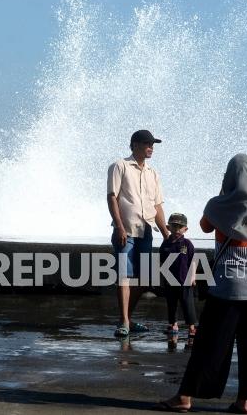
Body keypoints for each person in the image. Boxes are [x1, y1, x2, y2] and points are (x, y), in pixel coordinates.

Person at [157, 154, 247, 414]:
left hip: (229, 284)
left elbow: (205, 226)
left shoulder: (217, 205)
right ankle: (244, 401)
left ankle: (185, 397)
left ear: (229, 176)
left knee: (210, 343)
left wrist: (224, 193)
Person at [106, 129, 170, 337]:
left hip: (146, 232)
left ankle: (127, 319)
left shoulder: (153, 173)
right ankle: (124, 321)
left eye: (152, 144)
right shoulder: (120, 165)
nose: (151, 147)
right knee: (125, 276)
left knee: (143, 280)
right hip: (126, 231)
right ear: (134, 145)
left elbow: (157, 207)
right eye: (147, 143)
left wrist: (167, 234)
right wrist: (119, 226)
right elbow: (112, 197)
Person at [158, 213, 197, 340]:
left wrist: (193, 277)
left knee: (187, 303)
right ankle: (173, 325)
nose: (177, 230)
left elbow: (193, 261)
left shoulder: (187, 244)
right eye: (174, 227)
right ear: (168, 228)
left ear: (185, 229)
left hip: (185, 280)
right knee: (171, 303)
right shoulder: (165, 245)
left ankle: (192, 327)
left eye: (180, 227)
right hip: (170, 280)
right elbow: (161, 262)